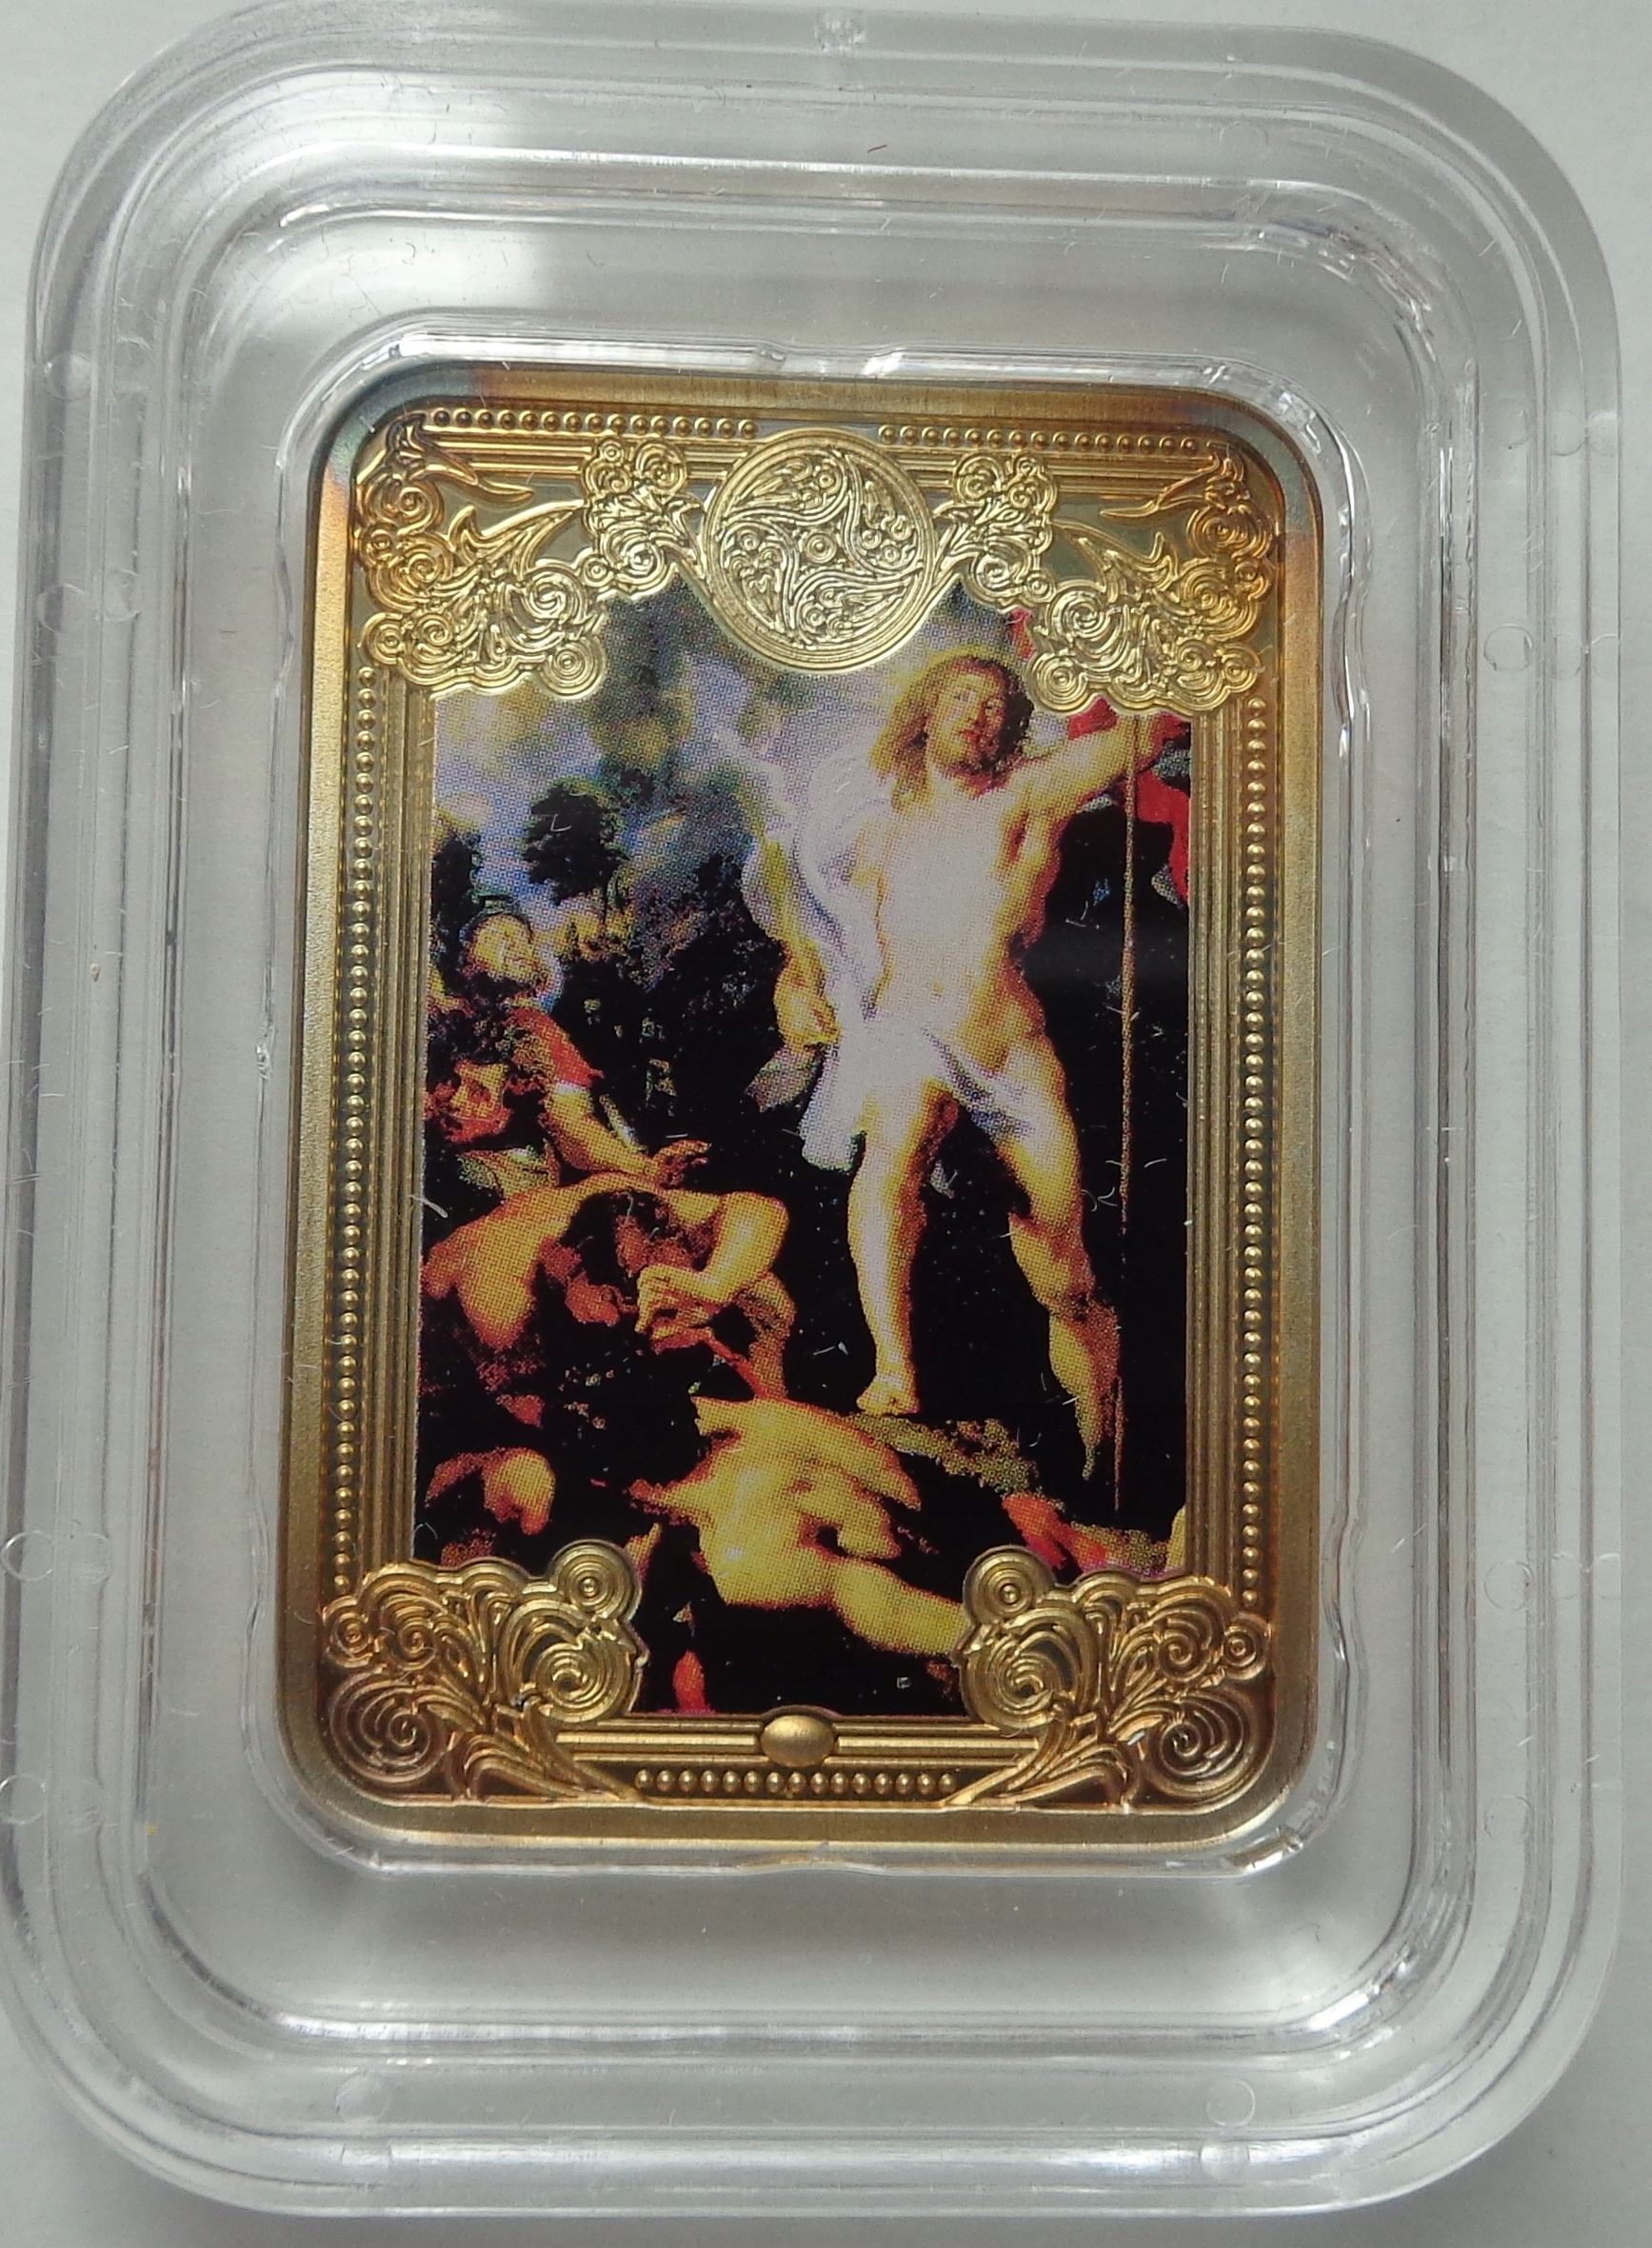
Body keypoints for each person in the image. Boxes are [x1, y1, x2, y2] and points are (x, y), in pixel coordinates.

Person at [775, 652, 1166, 1467]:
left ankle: (1099, 1451)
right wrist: (795, 984)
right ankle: (894, 1371)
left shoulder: (1027, 794)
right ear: (923, 714)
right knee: (896, 1143)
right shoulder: (876, 830)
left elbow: (1145, 731)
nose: (977, 713)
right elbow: (810, 926)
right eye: (960, 695)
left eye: (994, 704)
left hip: (1008, 1049)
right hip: (907, 1032)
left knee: (1062, 1273)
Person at [427, 907, 706, 1198]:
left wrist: (643, 1169)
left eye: (523, 938)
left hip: (497, 1173)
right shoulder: (449, 1021)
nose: (514, 944)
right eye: (497, 935)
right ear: (466, 961)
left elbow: (570, 1121)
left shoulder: (535, 1030)